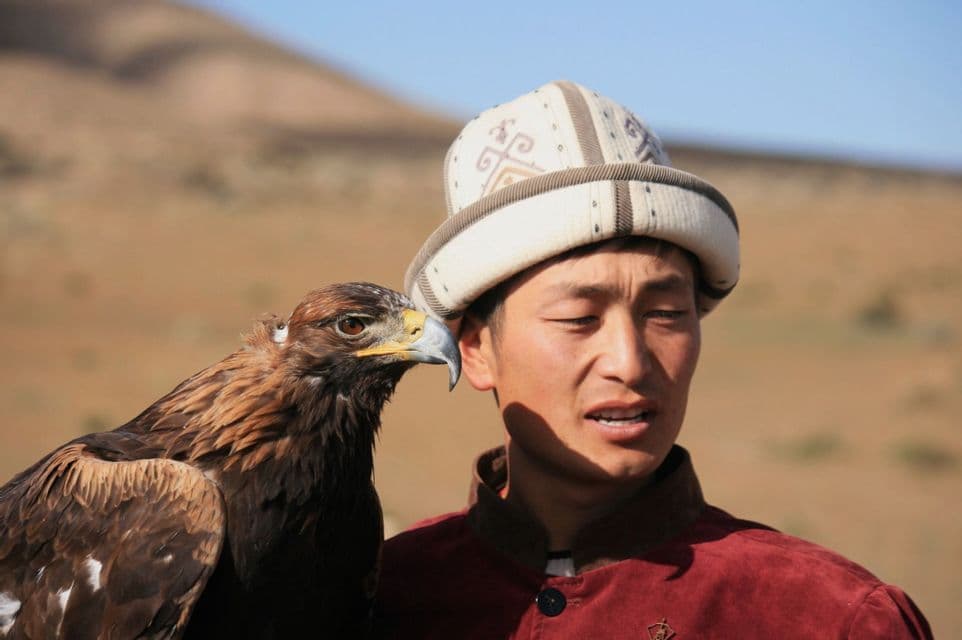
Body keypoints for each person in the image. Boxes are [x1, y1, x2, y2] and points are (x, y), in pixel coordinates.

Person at [373, 80, 931, 639]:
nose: (629, 362)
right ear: (474, 349)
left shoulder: (833, 618)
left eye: (664, 313)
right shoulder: (377, 601)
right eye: (578, 319)